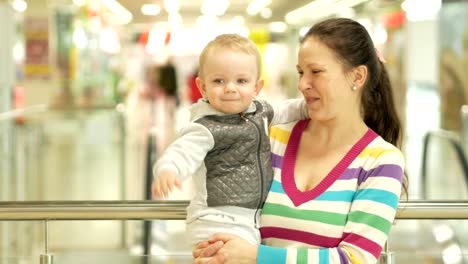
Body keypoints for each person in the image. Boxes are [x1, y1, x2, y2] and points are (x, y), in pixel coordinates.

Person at [193, 17, 407, 264]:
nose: (303, 84)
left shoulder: (381, 160)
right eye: (301, 72)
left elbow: (355, 258)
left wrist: (257, 257)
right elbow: (230, 211)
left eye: (316, 72)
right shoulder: (272, 138)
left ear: (357, 77)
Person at [151, 34, 308, 247]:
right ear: (203, 87)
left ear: (257, 87)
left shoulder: (260, 113)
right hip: (217, 221)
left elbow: (289, 109)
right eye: (219, 81)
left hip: (251, 219)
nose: (230, 88)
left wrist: (311, 106)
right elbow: (183, 150)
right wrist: (169, 168)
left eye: (241, 81)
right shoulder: (205, 127)